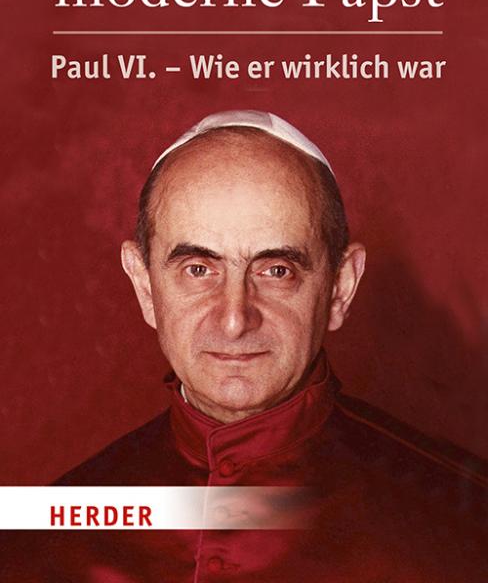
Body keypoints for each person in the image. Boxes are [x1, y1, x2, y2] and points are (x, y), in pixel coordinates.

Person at [3, 111, 487, 582]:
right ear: (145, 287)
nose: (235, 320)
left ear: (340, 288)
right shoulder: (35, 539)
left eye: (276, 271)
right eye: (198, 270)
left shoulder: (467, 531)